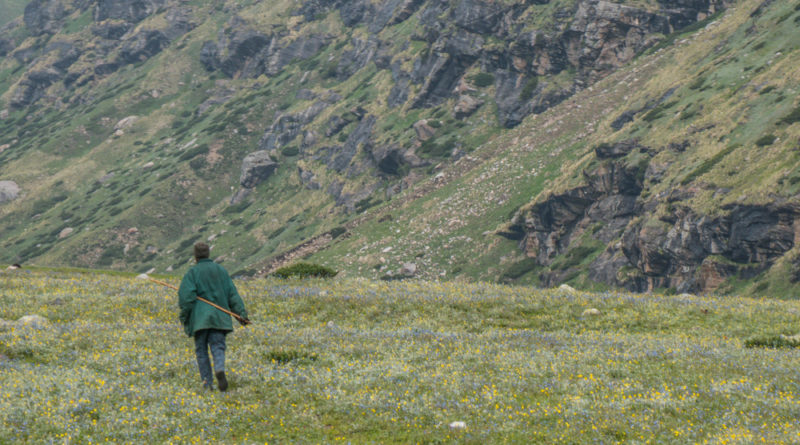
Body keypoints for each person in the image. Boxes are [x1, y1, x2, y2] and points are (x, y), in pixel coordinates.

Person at [178, 242, 249, 391]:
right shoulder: (221, 271)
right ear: (208, 253)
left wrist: (185, 317)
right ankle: (219, 368)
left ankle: (207, 384)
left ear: (195, 256)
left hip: (200, 320)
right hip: (219, 318)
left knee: (202, 352)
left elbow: (186, 298)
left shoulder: (192, 273)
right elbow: (232, 295)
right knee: (218, 347)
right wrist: (241, 314)